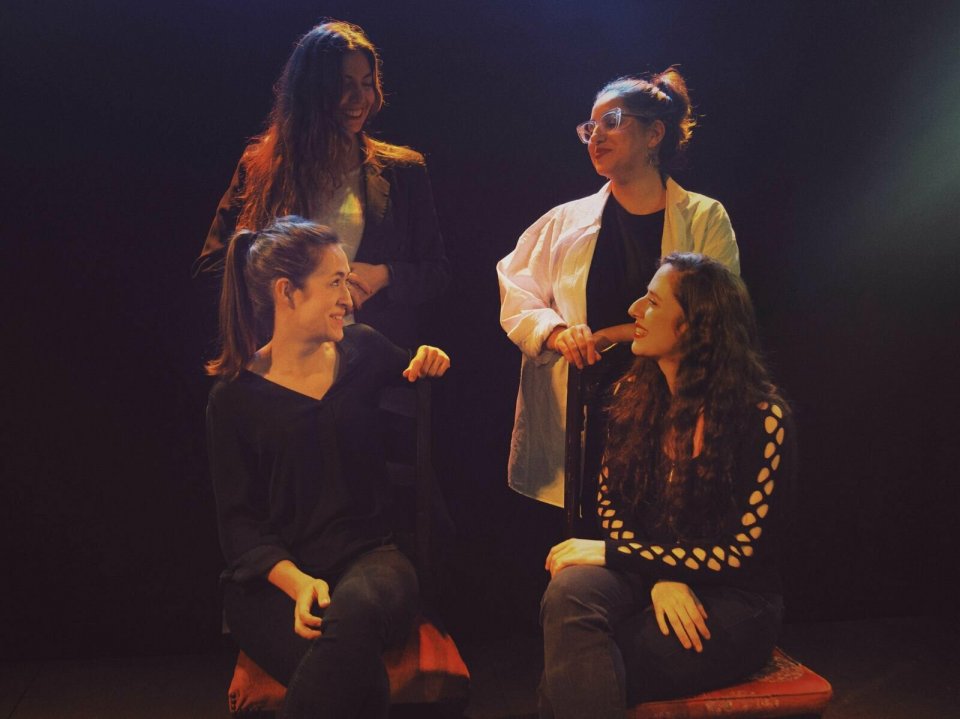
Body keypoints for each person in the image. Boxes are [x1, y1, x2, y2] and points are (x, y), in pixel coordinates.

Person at [205, 216, 450, 718]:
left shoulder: (365, 349)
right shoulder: (232, 399)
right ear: (287, 292)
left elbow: (416, 370)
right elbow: (238, 524)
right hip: (274, 581)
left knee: (351, 624)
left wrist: (429, 359)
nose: (349, 297)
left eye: (347, 281)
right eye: (335, 282)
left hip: (372, 560)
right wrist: (298, 582)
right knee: (353, 678)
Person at [539, 253, 792, 718]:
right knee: (570, 592)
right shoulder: (629, 398)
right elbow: (612, 510)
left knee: (586, 660)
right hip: (649, 571)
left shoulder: (761, 418)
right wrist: (659, 576)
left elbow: (738, 554)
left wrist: (619, 556)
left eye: (653, 302)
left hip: (733, 596)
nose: (634, 309)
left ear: (695, 327)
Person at [497, 68, 740, 509]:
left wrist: (613, 334)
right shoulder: (564, 220)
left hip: (667, 406)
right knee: (581, 524)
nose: (596, 136)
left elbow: (714, 316)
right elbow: (518, 290)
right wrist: (556, 332)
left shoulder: (703, 217)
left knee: (655, 515)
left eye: (612, 122)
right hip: (583, 407)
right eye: (590, 128)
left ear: (655, 134)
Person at [194, 20, 449, 350]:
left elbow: (436, 273)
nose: (359, 98)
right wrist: (286, 284)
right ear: (311, 91)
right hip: (285, 361)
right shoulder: (263, 166)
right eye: (344, 84)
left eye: (367, 83)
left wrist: (385, 275)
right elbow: (213, 267)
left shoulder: (404, 171)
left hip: (374, 364)